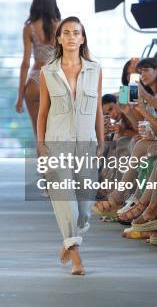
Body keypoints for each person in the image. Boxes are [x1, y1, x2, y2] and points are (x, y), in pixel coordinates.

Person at [36, 16, 104, 275]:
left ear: (83, 38)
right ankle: (76, 257)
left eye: (77, 32)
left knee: (84, 209)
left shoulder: (95, 69)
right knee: (65, 201)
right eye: (66, 32)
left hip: (86, 144)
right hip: (57, 143)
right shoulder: (48, 72)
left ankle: (70, 239)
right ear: (59, 38)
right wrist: (42, 145)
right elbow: (43, 112)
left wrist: (102, 142)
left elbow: (97, 109)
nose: (72, 37)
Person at [15, 0, 61, 141]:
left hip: (34, 81)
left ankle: (43, 165)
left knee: (39, 136)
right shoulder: (61, 27)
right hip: (54, 81)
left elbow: (25, 64)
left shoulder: (29, 28)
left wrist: (20, 96)